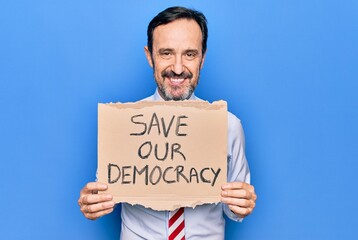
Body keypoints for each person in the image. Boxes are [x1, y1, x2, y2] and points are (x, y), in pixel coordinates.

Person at [78, 6, 257, 239]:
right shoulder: (122, 125)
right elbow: (107, 191)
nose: (178, 68)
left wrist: (240, 204)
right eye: (166, 53)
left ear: (202, 58)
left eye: (190, 54)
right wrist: (92, 202)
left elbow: (234, 212)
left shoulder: (228, 125)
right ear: (149, 56)